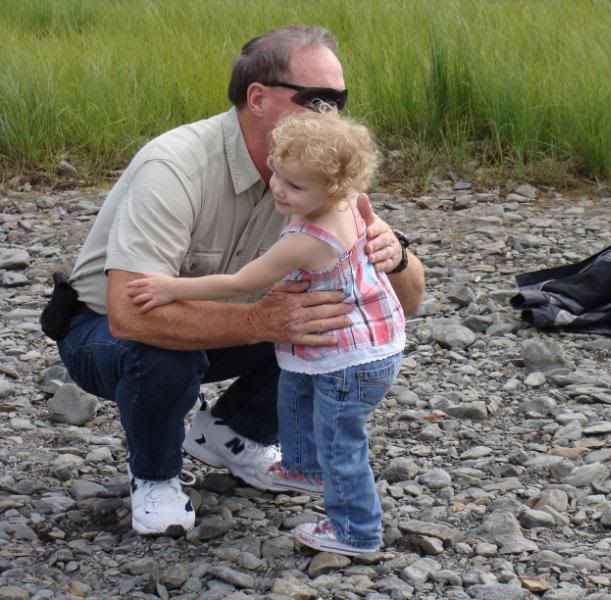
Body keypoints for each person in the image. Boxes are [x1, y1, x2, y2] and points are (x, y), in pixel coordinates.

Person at [56, 25, 424, 536]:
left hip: (232, 321)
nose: (331, 115)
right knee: (164, 347)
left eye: (339, 100)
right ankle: (156, 475)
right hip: (103, 333)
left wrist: (396, 256)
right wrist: (262, 320)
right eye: (317, 99)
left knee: (336, 318)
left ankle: (233, 433)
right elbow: (129, 312)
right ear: (258, 97)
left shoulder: (319, 172)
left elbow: (403, 306)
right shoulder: (175, 166)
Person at [127, 110, 404, 555]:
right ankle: (302, 467)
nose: (278, 188)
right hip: (348, 340)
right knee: (293, 389)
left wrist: (169, 287)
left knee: (341, 442)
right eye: (278, 175)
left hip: (354, 357)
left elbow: (241, 283)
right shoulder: (349, 199)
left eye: (295, 187)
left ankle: (357, 531)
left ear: (333, 188)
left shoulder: (307, 238)